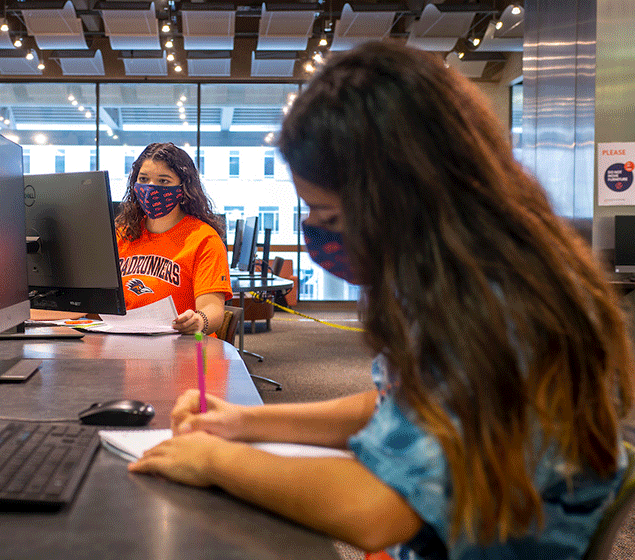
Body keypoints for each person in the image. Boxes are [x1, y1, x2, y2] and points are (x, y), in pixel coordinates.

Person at [128, 42, 634, 559]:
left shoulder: (498, 308)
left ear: (397, 195)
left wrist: (213, 460)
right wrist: (241, 422)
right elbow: (399, 402)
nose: (321, 235)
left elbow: (379, 512)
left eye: (328, 215)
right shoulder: (462, 276)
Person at [115, 142, 232, 335]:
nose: (150, 188)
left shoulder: (204, 239)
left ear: (183, 188)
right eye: (143, 179)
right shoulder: (122, 234)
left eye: (163, 181)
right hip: (126, 344)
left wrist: (199, 320)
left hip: (183, 348)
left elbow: (214, 309)